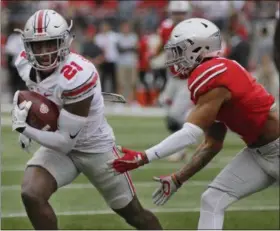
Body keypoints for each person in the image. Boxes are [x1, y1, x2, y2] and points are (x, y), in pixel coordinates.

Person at [107, 18, 279, 230]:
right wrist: (179, 178)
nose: (174, 56)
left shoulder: (212, 73)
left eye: (179, 49)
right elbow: (212, 143)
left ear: (198, 48)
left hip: (276, 147)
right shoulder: (216, 73)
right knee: (213, 199)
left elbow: (190, 133)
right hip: (260, 153)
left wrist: (144, 157)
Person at [11, 9, 162, 230]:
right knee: (31, 193)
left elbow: (65, 141)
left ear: (64, 42)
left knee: (134, 215)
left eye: (50, 44)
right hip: (59, 144)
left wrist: (27, 129)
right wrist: (29, 115)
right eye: (37, 45)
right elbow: (34, 94)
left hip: (94, 147)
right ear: (27, 46)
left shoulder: (78, 75)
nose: (43, 52)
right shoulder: (24, 63)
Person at [152, 0, 194, 161]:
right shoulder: (165, 27)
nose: (178, 16)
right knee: (168, 110)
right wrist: (154, 56)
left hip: (187, 77)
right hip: (172, 76)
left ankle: (181, 148)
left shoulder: (193, 28)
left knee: (176, 114)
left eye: (181, 13)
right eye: (176, 13)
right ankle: (182, 139)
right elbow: (163, 45)